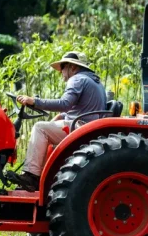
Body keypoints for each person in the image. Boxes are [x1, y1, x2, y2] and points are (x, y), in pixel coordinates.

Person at [6, 51, 107, 192]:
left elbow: (65, 103)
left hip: (80, 127)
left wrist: (34, 101)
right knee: (45, 128)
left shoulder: (77, 79)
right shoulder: (95, 82)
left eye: (63, 68)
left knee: (39, 128)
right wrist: (57, 119)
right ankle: (37, 177)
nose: (61, 73)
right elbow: (76, 109)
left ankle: (31, 177)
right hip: (86, 125)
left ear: (72, 67)